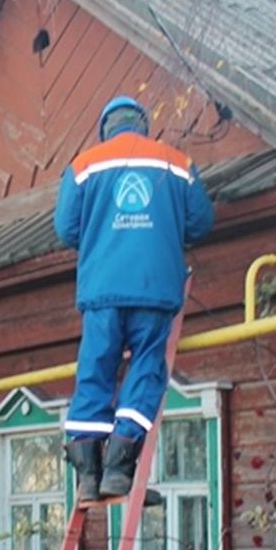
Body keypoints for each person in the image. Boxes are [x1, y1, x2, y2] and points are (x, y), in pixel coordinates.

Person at [54, 95, 214, 503]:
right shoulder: (175, 162)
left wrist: (105, 231)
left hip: (102, 290)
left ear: (106, 128)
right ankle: (120, 469)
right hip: (154, 288)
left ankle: (89, 476)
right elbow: (200, 222)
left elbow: (66, 228)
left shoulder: (83, 165)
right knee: (146, 369)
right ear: (142, 125)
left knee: (95, 370)